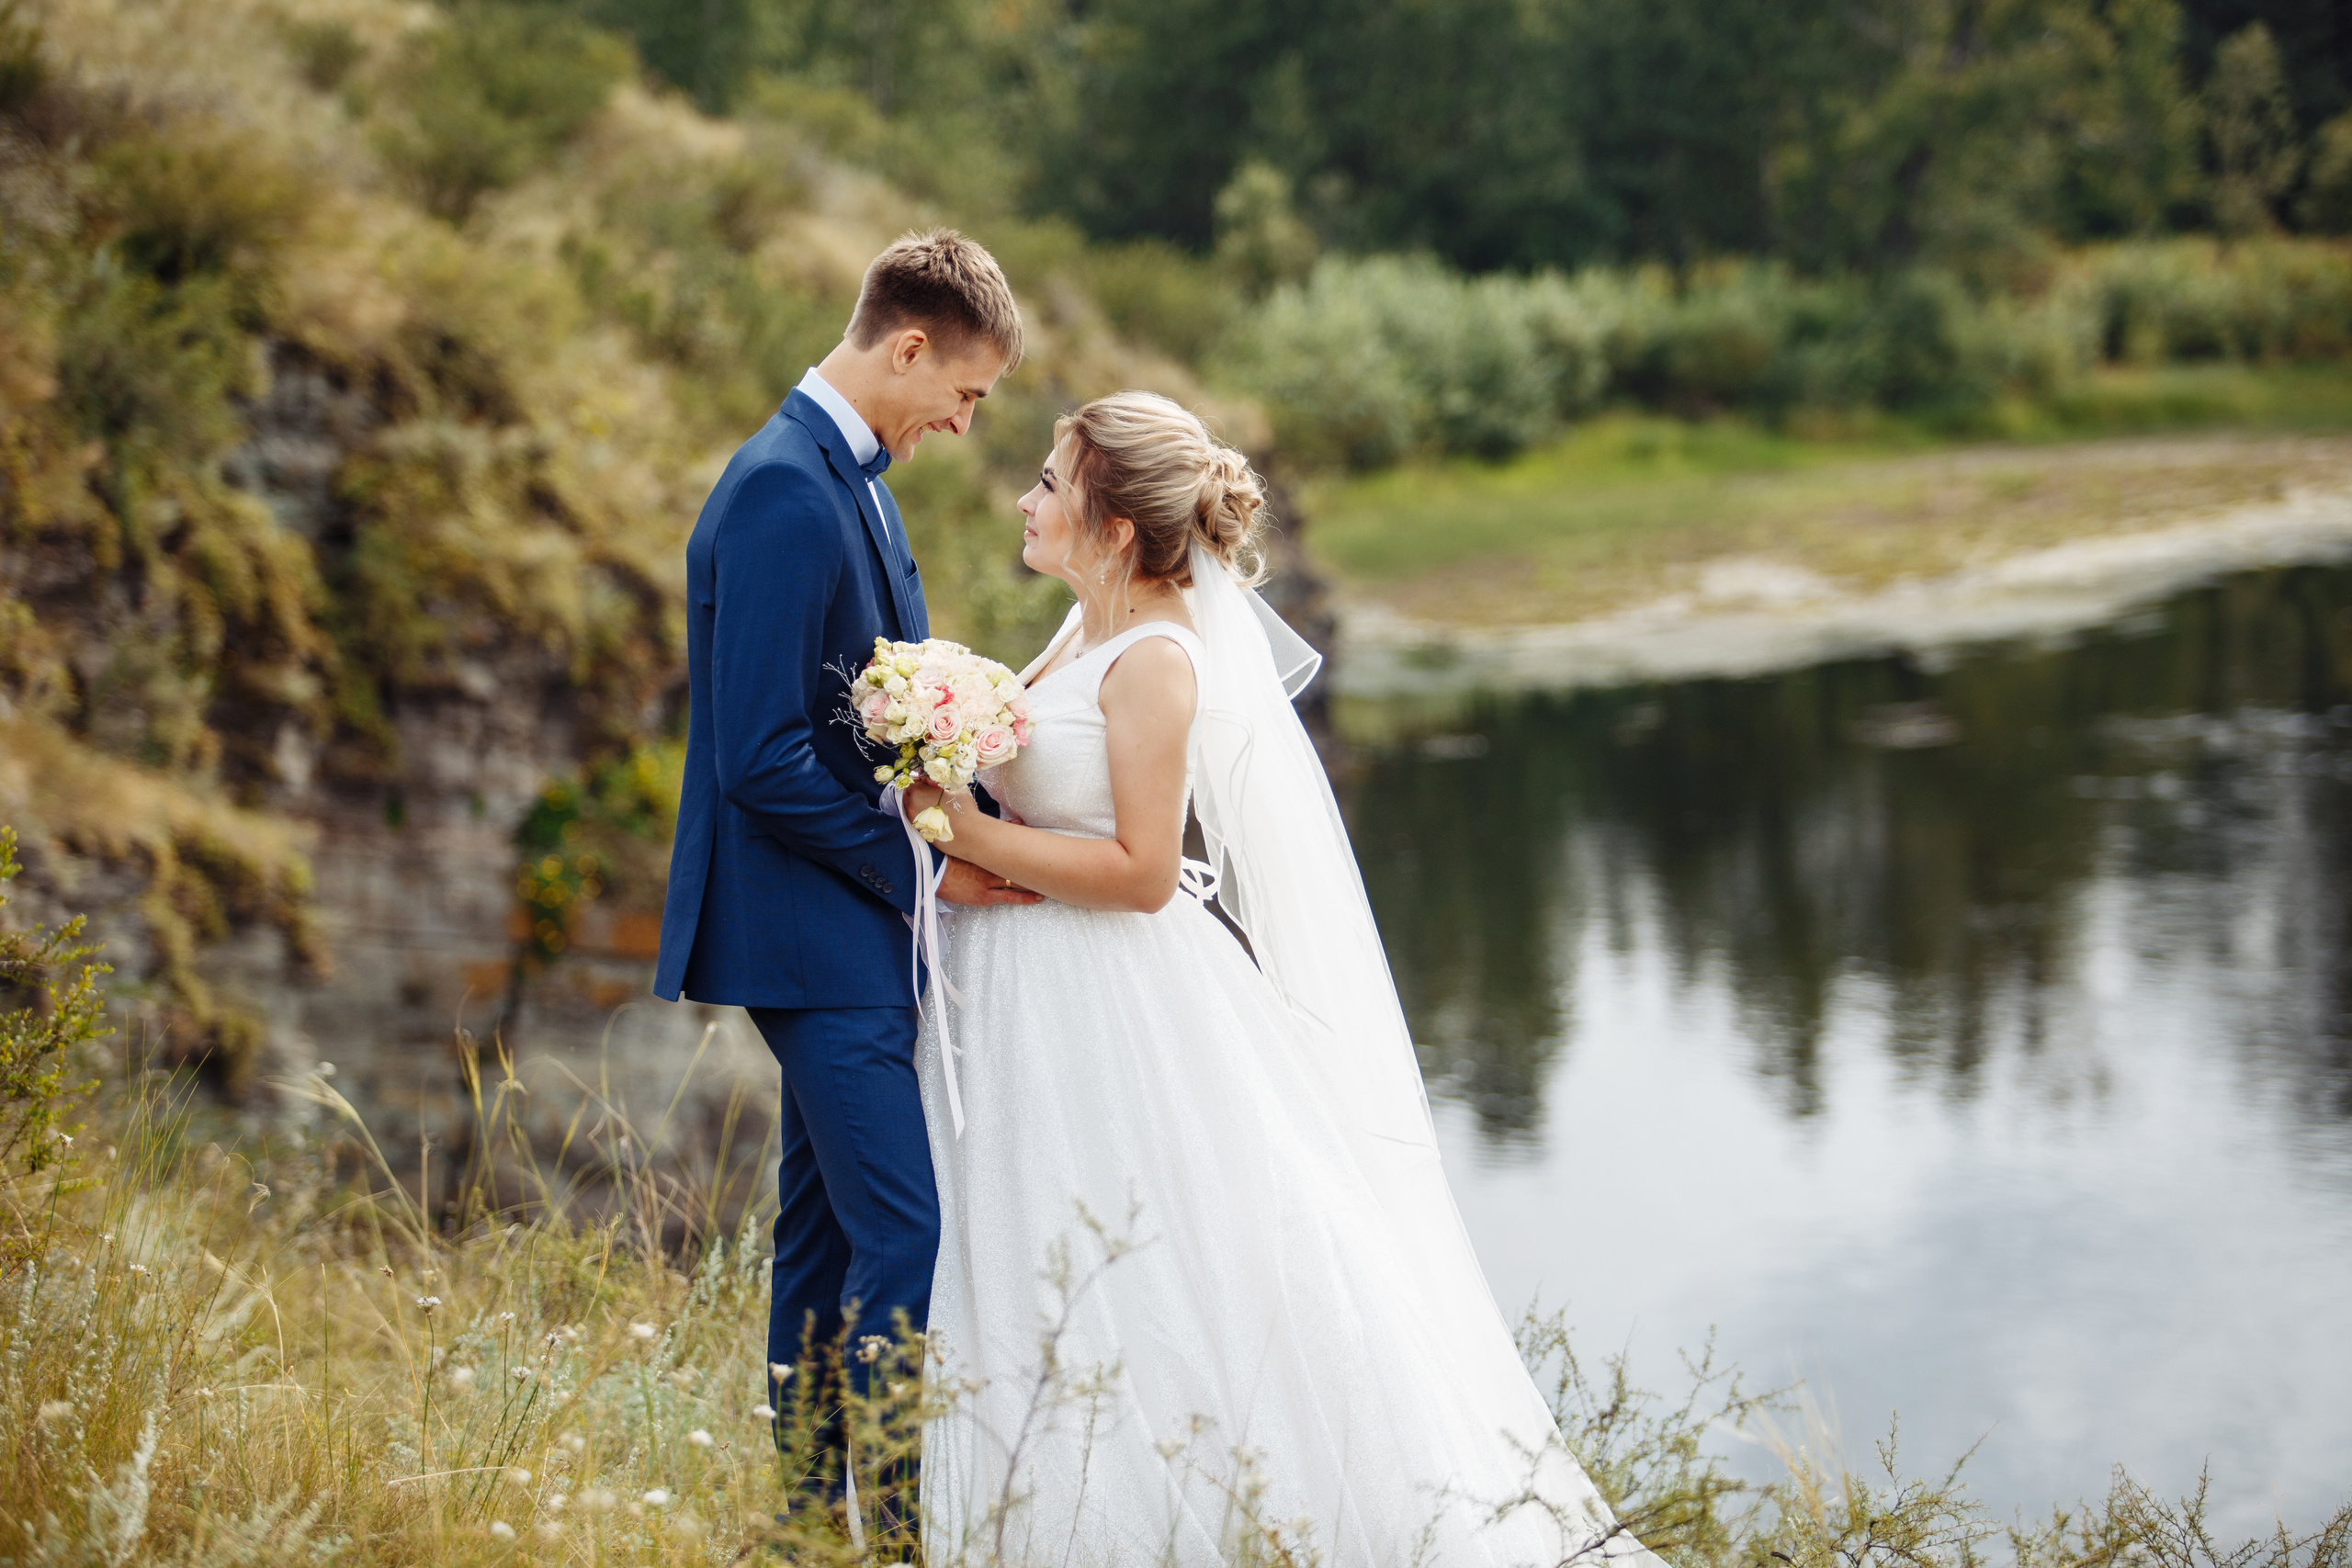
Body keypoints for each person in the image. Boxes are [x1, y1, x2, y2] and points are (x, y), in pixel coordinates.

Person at [902, 391, 1667, 1566]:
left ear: (1112, 527)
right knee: (1035, 1257)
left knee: (1160, 1260)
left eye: (1051, 483)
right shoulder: (1083, 625)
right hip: (1025, 983)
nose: (1025, 498)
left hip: (1110, 994)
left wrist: (968, 837)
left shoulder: (1156, 658)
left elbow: (1146, 870)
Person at [651, 229, 1038, 1534]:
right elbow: (759, 756)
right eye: (965, 393)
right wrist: (921, 852)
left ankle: (809, 1524)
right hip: (807, 934)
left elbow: (859, 711)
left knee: (822, 1238)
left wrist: (961, 788)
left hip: (848, 927)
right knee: (903, 1230)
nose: (965, 422)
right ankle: (895, 1524)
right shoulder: (780, 487)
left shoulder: (854, 479)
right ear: (909, 344)